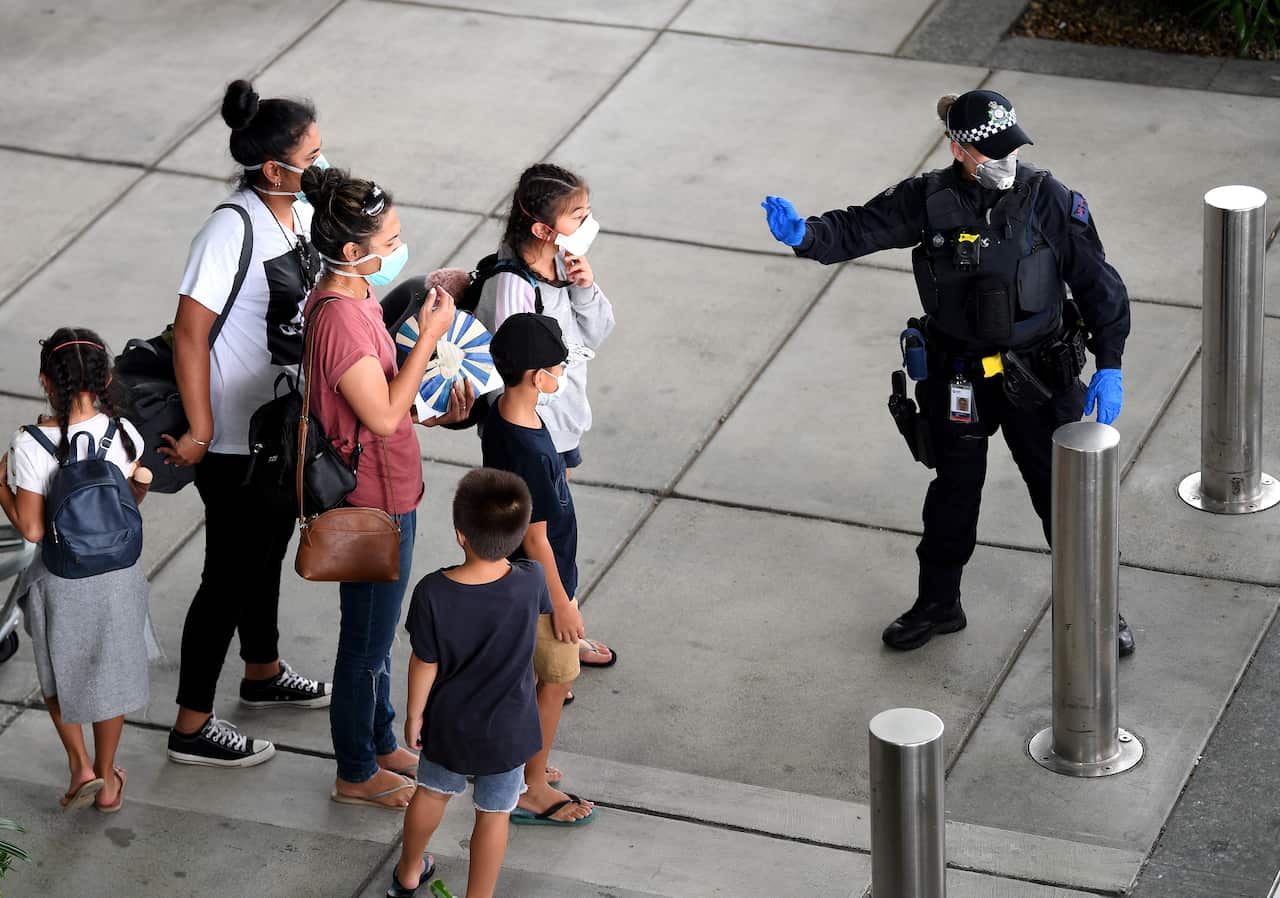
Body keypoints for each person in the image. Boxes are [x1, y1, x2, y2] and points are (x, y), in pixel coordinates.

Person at [762, 89, 1135, 656]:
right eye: (991, 152)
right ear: (958, 148)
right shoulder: (926, 200)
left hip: (1037, 376)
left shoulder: (1051, 200)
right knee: (952, 495)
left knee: (1063, 499)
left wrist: (1110, 364)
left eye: (1012, 148)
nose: (1006, 161)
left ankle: (1099, 613)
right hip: (957, 375)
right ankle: (939, 604)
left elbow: (1099, 285)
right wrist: (806, 236)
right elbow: (861, 227)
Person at [164, 79, 332, 769]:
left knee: (264, 556)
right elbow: (188, 332)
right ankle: (191, 726)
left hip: (276, 431)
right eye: (312, 155)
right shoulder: (230, 226)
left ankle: (260, 672)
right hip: (232, 440)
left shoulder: (292, 215)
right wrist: (201, 430)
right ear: (273, 167)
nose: (321, 165)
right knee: (227, 577)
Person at [299, 166, 470, 809]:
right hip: (371, 501)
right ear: (352, 251)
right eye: (390, 237)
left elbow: (389, 398)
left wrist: (430, 403)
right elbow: (379, 416)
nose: (399, 248)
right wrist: (428, 337)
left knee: (376, 631)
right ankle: (354, 770)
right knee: (365, 645)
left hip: (392, 488)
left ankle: (380, 741)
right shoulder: (342, 318)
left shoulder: (356, 298)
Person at [0, 329, 154, 813]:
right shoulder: (125, 433)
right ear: (106, 378)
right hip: (117, 575)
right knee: (109, 675)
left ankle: (80, 765)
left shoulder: (30, 445)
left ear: (47, 380)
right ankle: (108, 781)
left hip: (61, 578)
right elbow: (129, 504)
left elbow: (30, 528)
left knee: (60, 674)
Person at [473, 163, 617, 673]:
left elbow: (597, 335)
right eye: (578, 214)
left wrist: (585, 287)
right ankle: (547, 644)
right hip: (533, 434)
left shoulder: (565, 262)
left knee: (554, 531)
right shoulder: (514, 287)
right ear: (542, 228)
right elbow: (512, 372)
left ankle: (556, 632)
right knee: (533, 541)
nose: (588, 221)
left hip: (563, 424)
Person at [392, 468, 550, 898]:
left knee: (432, 793)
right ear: (516, 536)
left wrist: (414, 715)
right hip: (509, 728)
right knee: (495, 815)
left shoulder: (433, 592)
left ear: (460, 534)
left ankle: (408, 872)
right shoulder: (531, 579)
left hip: (450, 723)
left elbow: (425, 661)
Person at [481, 313, 595, 826]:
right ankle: (532, 785)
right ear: (535, 377)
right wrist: (564, 603)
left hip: (516, 578)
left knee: (527, 678)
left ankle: (530, 764)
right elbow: (535, 536)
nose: (561, 375)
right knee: (554, 679)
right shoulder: (527, 446)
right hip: (541, 586)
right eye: (557, 367)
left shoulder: (504, 414)